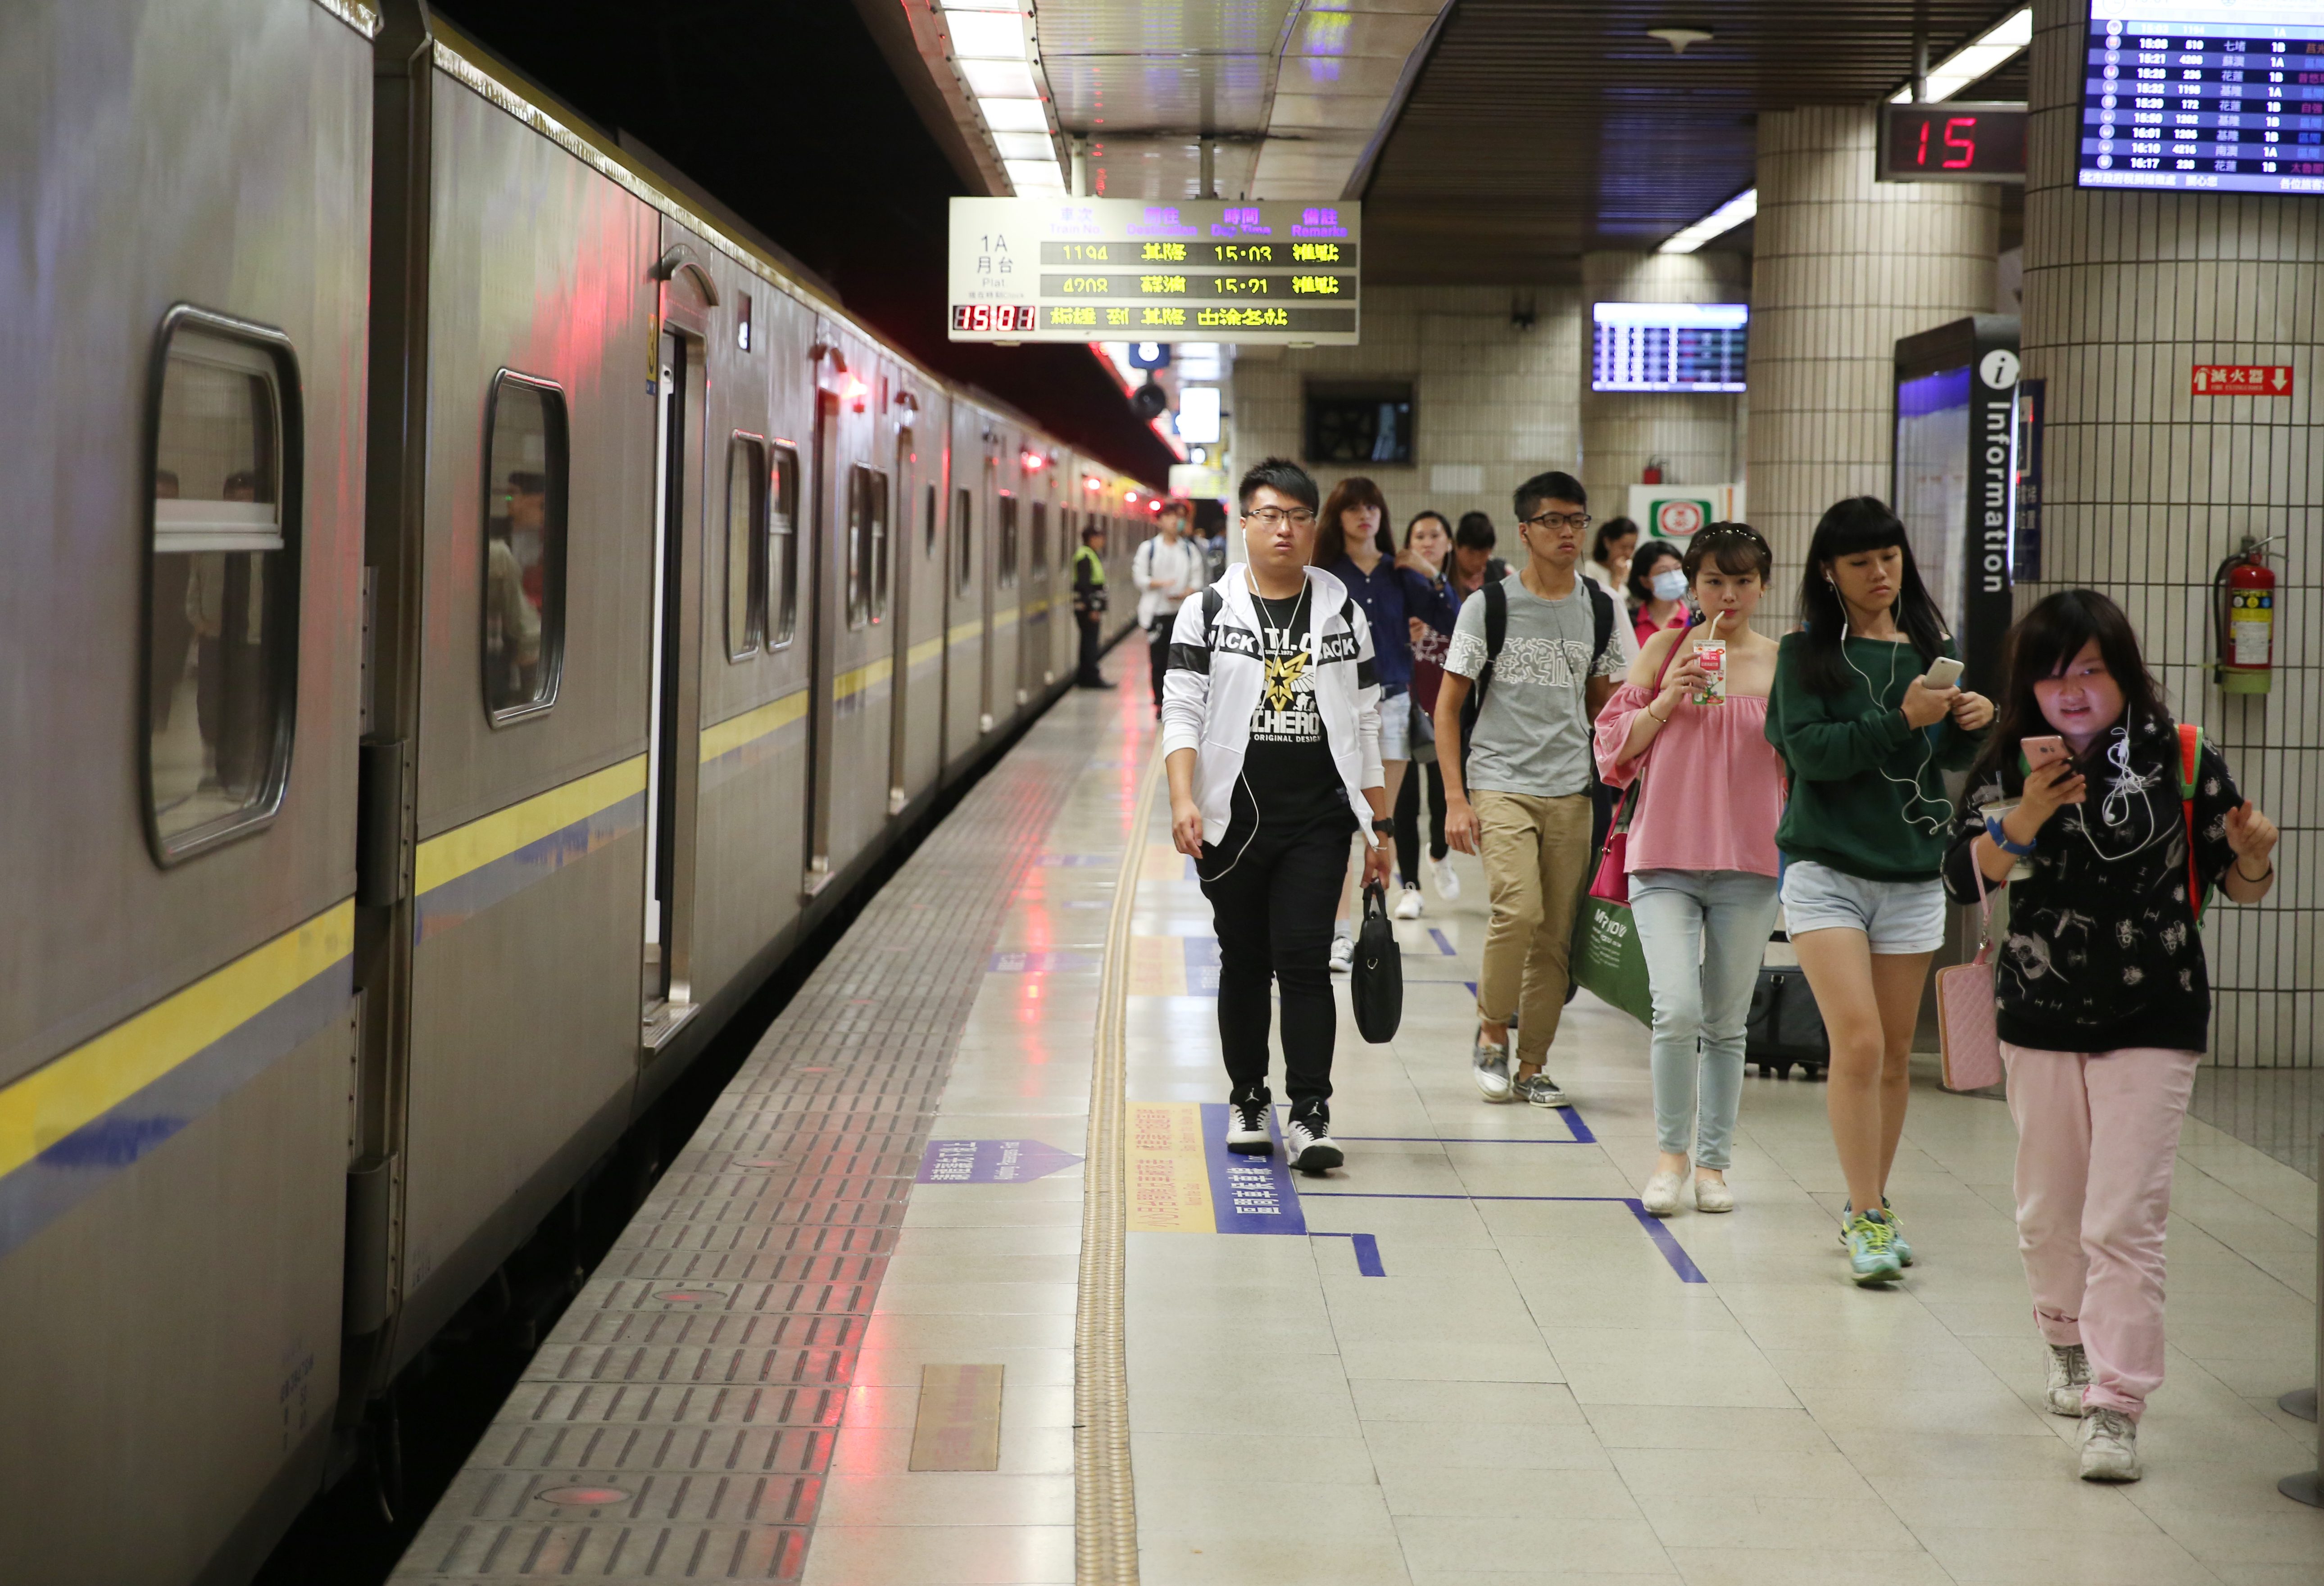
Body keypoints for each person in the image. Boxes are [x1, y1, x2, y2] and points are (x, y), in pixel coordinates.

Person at [1943, 590, 2276, 1483]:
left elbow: (2240, 883)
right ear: (2029, 686)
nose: (2072, 692)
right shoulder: (2010, 764)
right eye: (2053, 677)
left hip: (2157, 1010)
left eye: (2091, 671)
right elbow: (1961, 878)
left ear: (2124, 674)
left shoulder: (2180, 755)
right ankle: (2066, 1339)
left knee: (2126, 1216)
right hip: (2039, 1013)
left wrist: (2253, 855)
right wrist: (2024, 818)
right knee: (2051, 1208)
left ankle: (2117, 1402)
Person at [1764, 496, 1993, 1286]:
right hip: (1824, 868)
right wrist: (1902, 719)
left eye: (1889, 557)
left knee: (1895, 1054)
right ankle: (1865, 1216)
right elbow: (1811, 754)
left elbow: (1947, 756)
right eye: (1860, 561)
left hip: (1911, 874)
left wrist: (1972, 720)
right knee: (1858, 1042)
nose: (1879, 573)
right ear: (1829, 571)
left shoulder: (1932, 647)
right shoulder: (1804, 654)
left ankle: (1874, 1201)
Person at [1163, 458, 1394, 1173]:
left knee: (1303, 959)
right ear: (1245, 523)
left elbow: (1368, 719)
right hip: (1231, 820)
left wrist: (1380, 827)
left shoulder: (1343, 611)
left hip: (1318, 819)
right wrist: (1181, 797)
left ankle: (1311, 1112)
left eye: (1297, 516)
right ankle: (1248, 1098)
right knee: (1243, 961)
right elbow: (1183, 708)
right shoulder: (1208, 609)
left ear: (1312, 525)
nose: (1284, 529)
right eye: (1270, 515)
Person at [1592, 525, 1786, 1214]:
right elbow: (1612, 752)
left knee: (1728, 1023)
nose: (1728, 595)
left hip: (1751, 863)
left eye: (1742, 581)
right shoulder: (1662, 650)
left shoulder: (1782, 662)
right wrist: (1665, 697)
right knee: (1675, 1010)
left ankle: (1713, 1165)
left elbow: (1803, 761)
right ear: (1693, 586)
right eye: (1713, 581)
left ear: (1763, 585)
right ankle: (1670, 1156)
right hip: (1663, 857)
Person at [1435, 471, 1623, 1108]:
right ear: (1525, 530)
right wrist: (1455, 798)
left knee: (1557, 935)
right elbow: (1448, 708)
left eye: (1577, 520)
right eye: (1553, 520)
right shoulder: (1488, 606)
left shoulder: (1600, 606)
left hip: (1573, 789)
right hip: (1500, 781)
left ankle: (1534, 1064)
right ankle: (1493, 1029)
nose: (1568, 531)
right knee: (1518, 911)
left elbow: (1603, 706)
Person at [1311, 477, 1456, 971]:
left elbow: (1453, 621)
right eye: (1353, 508)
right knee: (1336, 824)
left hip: (1391, 704)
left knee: (1378, 827)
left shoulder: (1400, 573)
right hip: (1334, 707)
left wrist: (1430, 573)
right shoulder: (1325, 575)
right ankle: (1339, 933)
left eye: (1372, 507)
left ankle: (1372, 930)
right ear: (1338, 517)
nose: (1364, 515)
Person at [1393, 510, 1455, 919]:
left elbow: (1464, 626)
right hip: (1403, 707)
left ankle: (1439, 853)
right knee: (1405, 803)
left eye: (1435, 535)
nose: (1427, 543)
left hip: (1445, 711)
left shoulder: (1451, 593)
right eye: (1419, 537)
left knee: (1444, 798)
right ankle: (1411, 888)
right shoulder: (1398, 587)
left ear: (1448, 543)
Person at [1132, 499, 1207, 717]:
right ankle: (1160, 703)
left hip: (1182, 613)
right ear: (1160, 521)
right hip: (1157, 613)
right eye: (1170, 516)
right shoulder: (1149, 549)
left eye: (1179, 517)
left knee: (1181, 661)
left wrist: (1186, 592)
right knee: (1158, 660)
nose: (1176, 521)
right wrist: (1160, 584)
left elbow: (1198, 579)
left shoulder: (1189, 550)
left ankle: (1178, 703)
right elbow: (1139, 578)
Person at [1627, 538, 1689, 650]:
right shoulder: (1630, 621)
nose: (1674, 576)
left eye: (1677, 568)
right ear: (1645, 581)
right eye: (1663, 571)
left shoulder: (1697, 619)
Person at [1072, 520, 1113, 688]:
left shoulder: (1090, 554)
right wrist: (1093, 609)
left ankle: (1085, 677)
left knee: (1088, 642)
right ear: (1091, 539)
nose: (1102, 541)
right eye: (1099, 537)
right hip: (1088, 609)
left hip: (1088, 608)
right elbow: (1085, 586)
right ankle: (1091, 678)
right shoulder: (1085, 556)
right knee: (1090, 644)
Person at [1583, 516, 1639, 601]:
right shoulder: (1591, 569)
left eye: (1632, 547)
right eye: (1623, 547)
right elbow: (1605, 603)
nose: (1628, 553)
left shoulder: (1632, 568)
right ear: (1608, 543)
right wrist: (1617, 578)